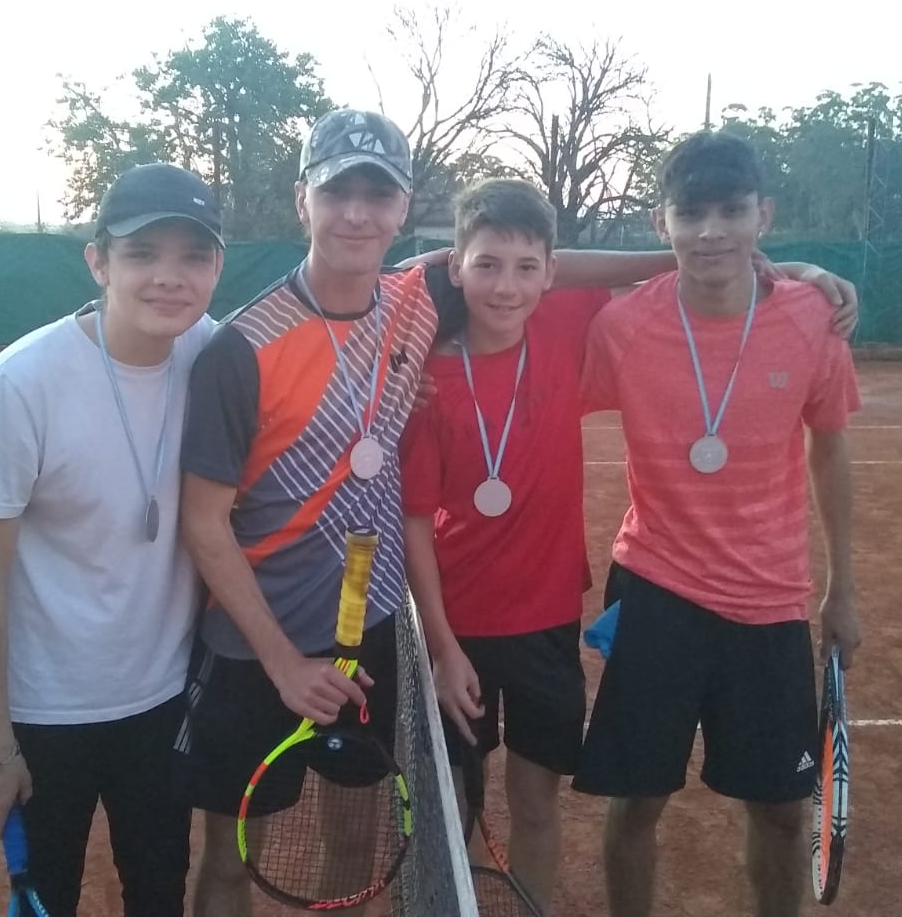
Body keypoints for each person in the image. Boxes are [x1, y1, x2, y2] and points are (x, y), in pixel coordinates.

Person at [173, 107, 858, 917]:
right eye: (336, 193)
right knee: (241, 860)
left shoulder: (435, 302)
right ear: (303, 200)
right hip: (293, 640)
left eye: (378, 195)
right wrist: (314, 658)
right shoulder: (285, 336)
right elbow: (209, 522)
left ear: (402, 206)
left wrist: (743, 259)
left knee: (371, 839)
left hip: (405, 631)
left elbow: (548, 264)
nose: (357, 213)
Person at [571, 130, 864, 917]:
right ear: (661, 222)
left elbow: (830, 449)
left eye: (731, 212)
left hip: (770, 603)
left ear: (763, 214)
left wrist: (842, 589)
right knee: (637, 800)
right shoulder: (623, 326)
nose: (711, 232)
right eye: (690, 214)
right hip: (655, 591)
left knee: (781, 811)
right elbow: (532, 296)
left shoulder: (812, 319)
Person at [0, 163, 224, 916]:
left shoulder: (216, 354)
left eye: (193, 255)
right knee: (48, 899)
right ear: (98, 261)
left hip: (162, 704)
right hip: (45, 716)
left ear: (217, 268)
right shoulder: (21, 382)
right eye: (142, 253)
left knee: (158, 895)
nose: (169, 277)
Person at [399, 177, 608, 912]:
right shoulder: (427, 376)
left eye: (526, 268)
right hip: (459, 627)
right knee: (456, 807)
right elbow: (414, 521)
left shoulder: (568, 322)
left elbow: (691, 263)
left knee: (537, 801)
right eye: (485, 265)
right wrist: (442, 647)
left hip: (548, 622)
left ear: (551, 274)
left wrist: (787, 267)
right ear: (455, 267)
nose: (507, 286)